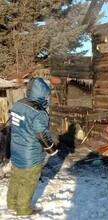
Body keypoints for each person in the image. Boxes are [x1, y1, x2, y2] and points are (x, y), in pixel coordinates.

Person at [6, 77, 58, 216]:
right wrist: (52, 150)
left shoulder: (18, 104)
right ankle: (23, 209)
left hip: (16, 148)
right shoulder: (39, 112)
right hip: (30, 153)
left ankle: (12, 203)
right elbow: (41, 134)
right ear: (42, 94)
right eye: (47, 95)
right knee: (28, 181)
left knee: (16, 176)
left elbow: (11, 127)